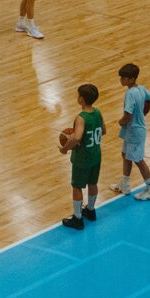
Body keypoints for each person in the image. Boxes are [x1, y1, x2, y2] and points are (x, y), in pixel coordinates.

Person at [111, 62, 150, 200]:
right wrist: (144, 112)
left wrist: (121, 121)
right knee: (125, 154)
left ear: (132, 79)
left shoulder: (130, 94)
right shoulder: (141, 89)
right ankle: (125, 185)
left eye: (124, 78)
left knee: (138, 160)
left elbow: (128, 114)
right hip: (133, 129)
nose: (121, 80)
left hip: (135, 131)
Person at [60, 82, 104, 229]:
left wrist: (65, 148)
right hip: (96, 155)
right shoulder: (98, 112)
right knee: (93, 183)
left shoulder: (81, 117)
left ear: (81, 99)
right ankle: (91, 210)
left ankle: (78, 218)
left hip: (82, 158)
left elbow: (77, 137)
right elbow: (103, 130)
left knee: (77, 186)